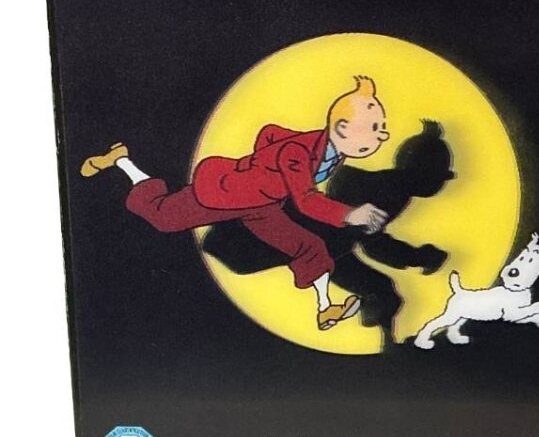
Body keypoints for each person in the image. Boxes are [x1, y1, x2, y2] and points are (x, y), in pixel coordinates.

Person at [80, 75, 390, 330]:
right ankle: (121, 161)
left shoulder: (329, 149)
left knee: (309, 246)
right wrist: (350, 214)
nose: (384, 135)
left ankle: (325, 308)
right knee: (163, 216)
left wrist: (264, 170)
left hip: (264, 204)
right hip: (229, 193)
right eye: (375, 127)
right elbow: (307, 200)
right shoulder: (297, 152)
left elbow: (270, 133)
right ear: (342, 128)